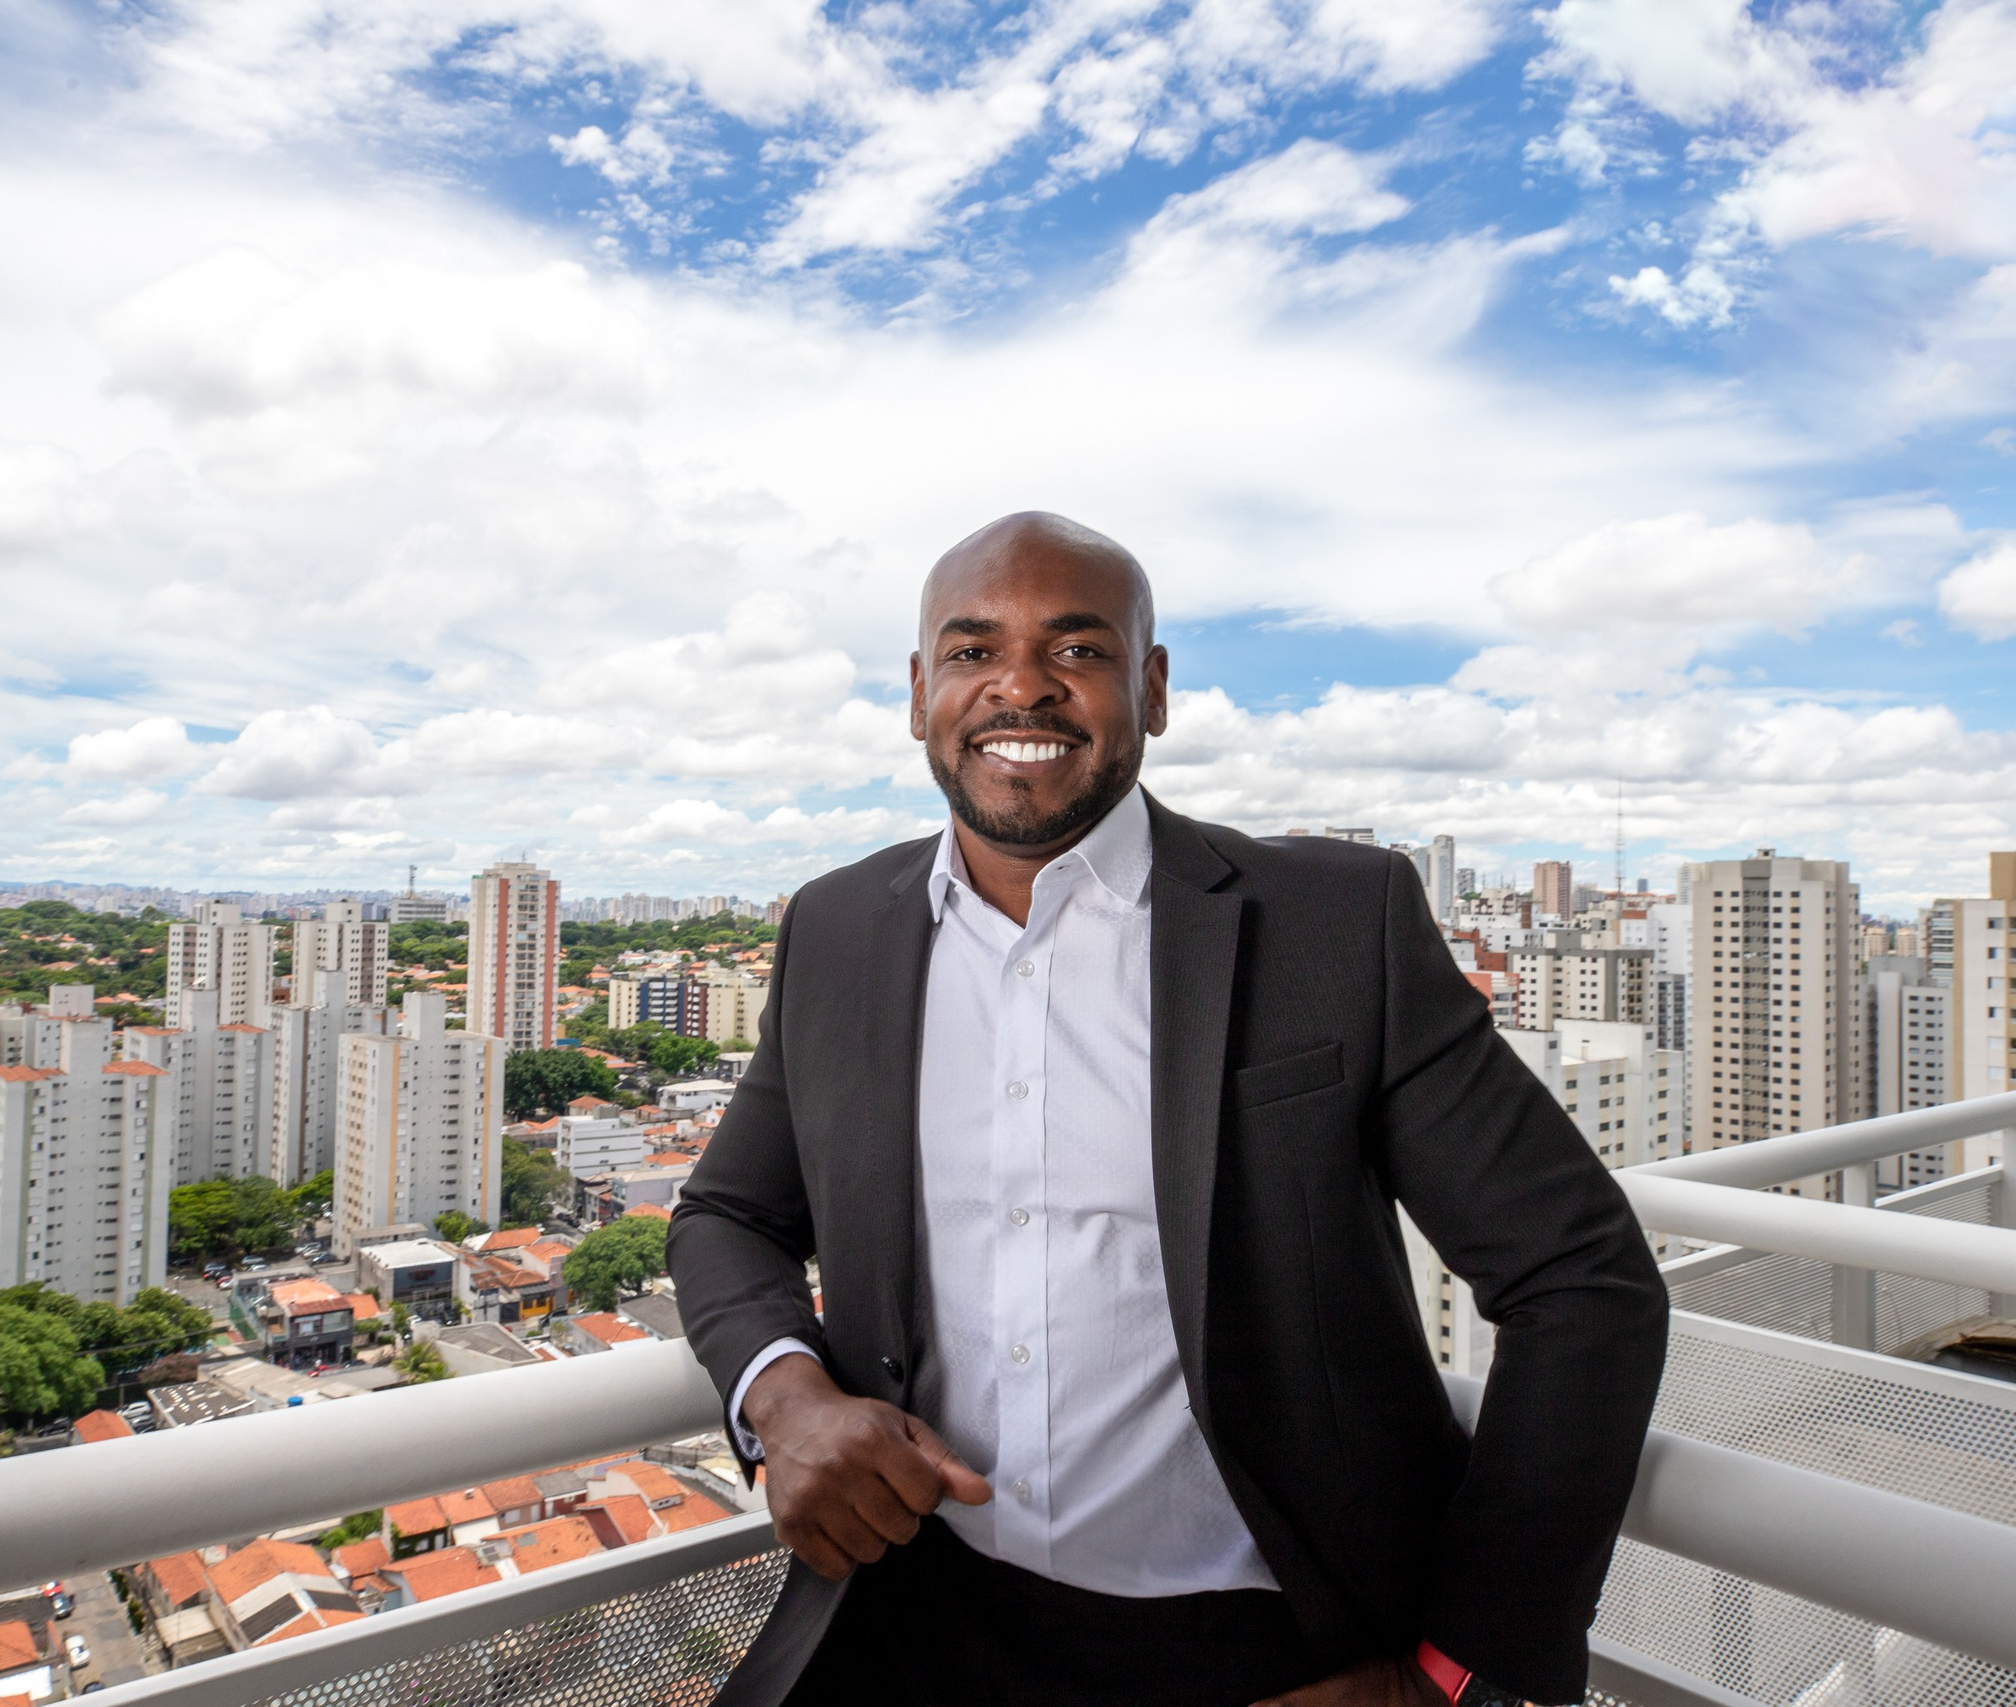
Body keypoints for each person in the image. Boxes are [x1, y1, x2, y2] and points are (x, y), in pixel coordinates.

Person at [668, 513, 1668, 1707]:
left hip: (1267, 1646)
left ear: (1151, 689)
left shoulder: (1331, 927)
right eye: (974, 651)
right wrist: (784, 1399)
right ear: (921, 690)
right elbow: (729, 1212)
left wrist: (1453, 1670)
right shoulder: (836, 927)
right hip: (912, 1611)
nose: (1021, 688)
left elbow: (1581, 1282)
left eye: (1077, 652)